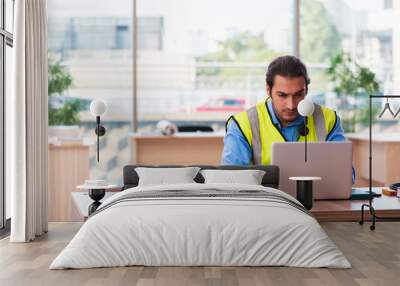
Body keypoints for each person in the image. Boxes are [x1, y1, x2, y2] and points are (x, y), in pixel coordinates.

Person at [221, 55, 355, 182]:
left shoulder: (329, 119)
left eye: (298, 95)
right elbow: (230, 180)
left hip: (319, 203)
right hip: (265, 204)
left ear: (306, 90)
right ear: (268, 90)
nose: (291, 105)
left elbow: (347, 176)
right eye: (282, 95)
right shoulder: (243, 124)